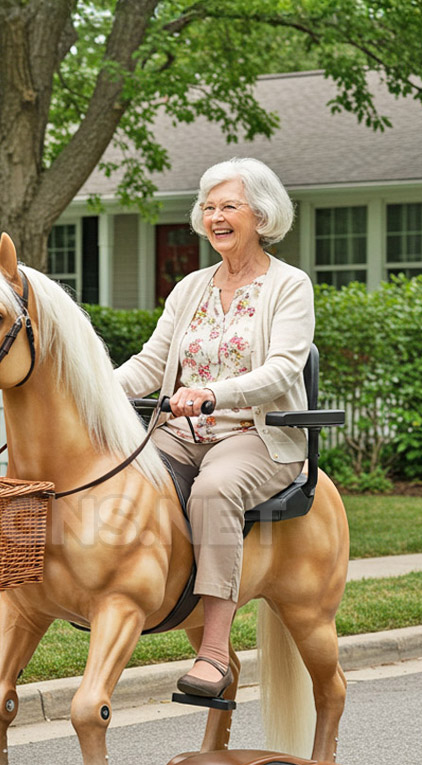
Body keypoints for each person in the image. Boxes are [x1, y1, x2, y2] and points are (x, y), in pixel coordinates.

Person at [115, 157, 312, 699]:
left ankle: (215, 654)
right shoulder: (191, 288)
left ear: (262, 215)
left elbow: (282, 370)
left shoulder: (288, 286)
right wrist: (94, 391)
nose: (216, 217)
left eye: (229, 206)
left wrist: (211, 394)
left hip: (255, 435)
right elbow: (152, 363)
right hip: (181, 433)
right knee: (120, 473)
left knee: (215, 489)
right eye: (209, 207)